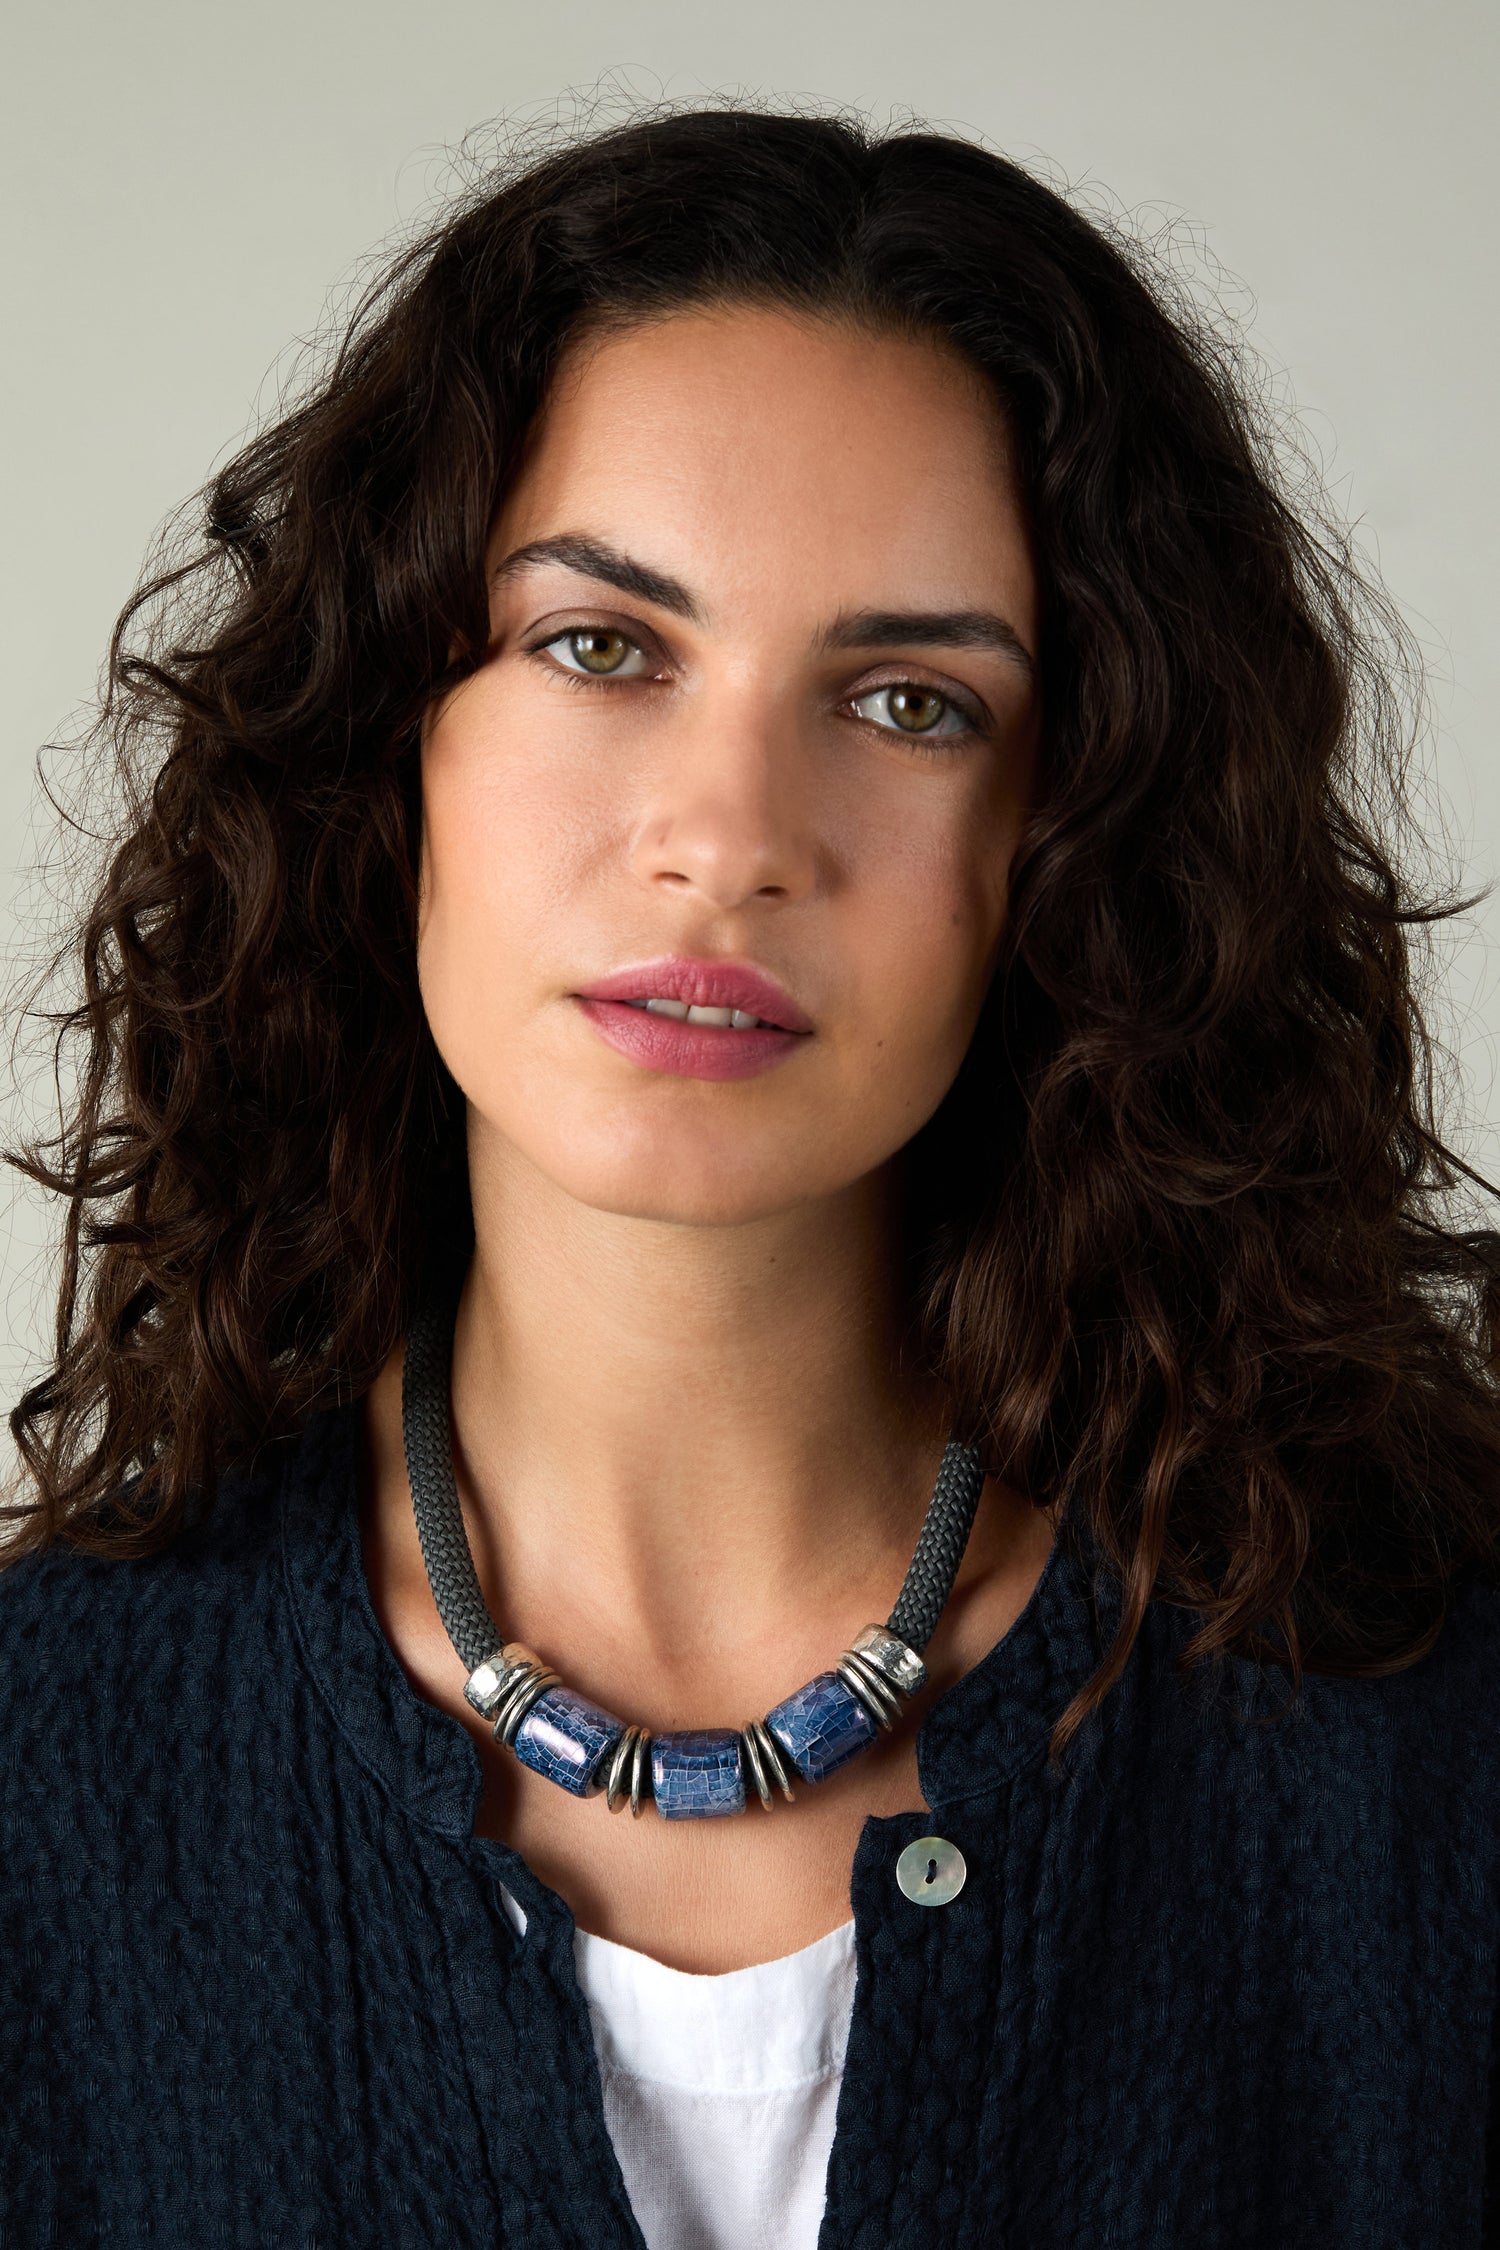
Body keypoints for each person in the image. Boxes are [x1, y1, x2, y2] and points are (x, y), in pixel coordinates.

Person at [2, 103, 1498, 2250]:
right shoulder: (48, 1777)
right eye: (604, 646)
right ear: (387, 749)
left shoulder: (1418, 1768)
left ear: (1068, 849)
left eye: (908, 700)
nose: (730, 835)